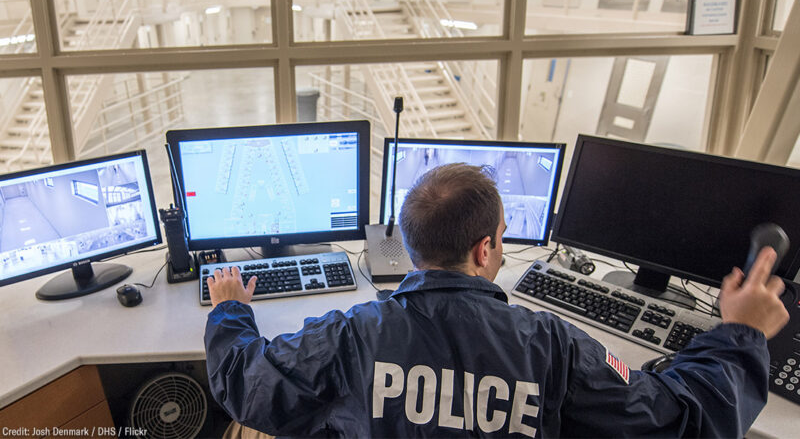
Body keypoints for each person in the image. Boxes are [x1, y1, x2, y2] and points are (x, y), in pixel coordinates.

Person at [204, 163, 790, 438]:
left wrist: (231, 308)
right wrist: (741, 334)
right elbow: (686, 422)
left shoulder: (353, 334)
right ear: (485, 249)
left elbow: (243, 382)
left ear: (411, 254)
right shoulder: (553, 348)